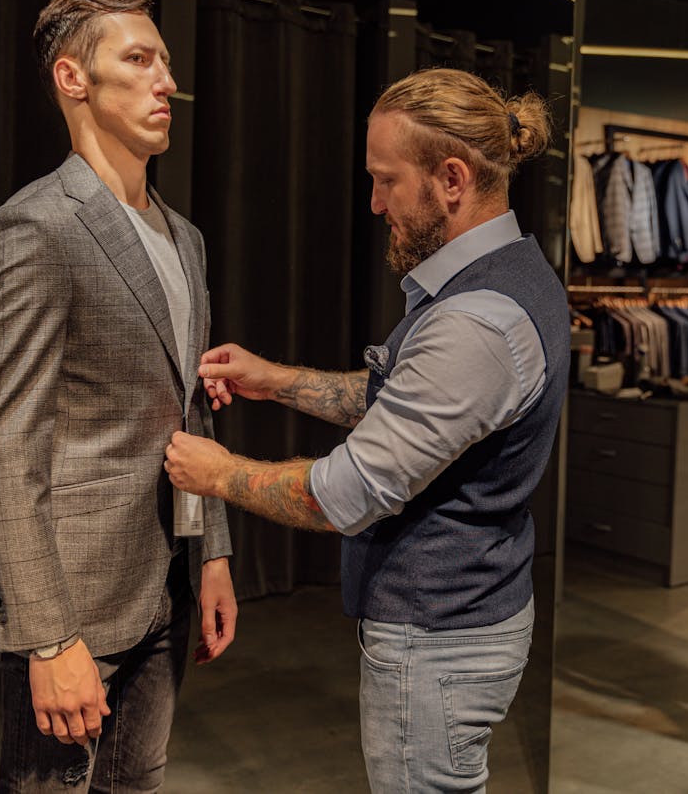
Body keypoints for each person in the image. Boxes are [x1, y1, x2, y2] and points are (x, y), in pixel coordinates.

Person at [164, 67, 567, 792]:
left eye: (387, 180)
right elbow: (407, 405)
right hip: (472, 618)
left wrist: (218, 471)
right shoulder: (514, 274)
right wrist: (275, 380)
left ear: (451, 178)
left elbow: (342, 493)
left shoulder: (474, 324)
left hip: (438, 640)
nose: (376, 202)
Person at [0, 0, 235, 792]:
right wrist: (46, 638)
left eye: (168, 64)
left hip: (165, 587)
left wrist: (213, 553)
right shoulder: (35, 228)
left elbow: (189, 411)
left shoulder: (182, 237)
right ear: (73, 79)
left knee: (139, 783)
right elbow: (2, 441)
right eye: (140, 59)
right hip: (72, 603)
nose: (166, 82)